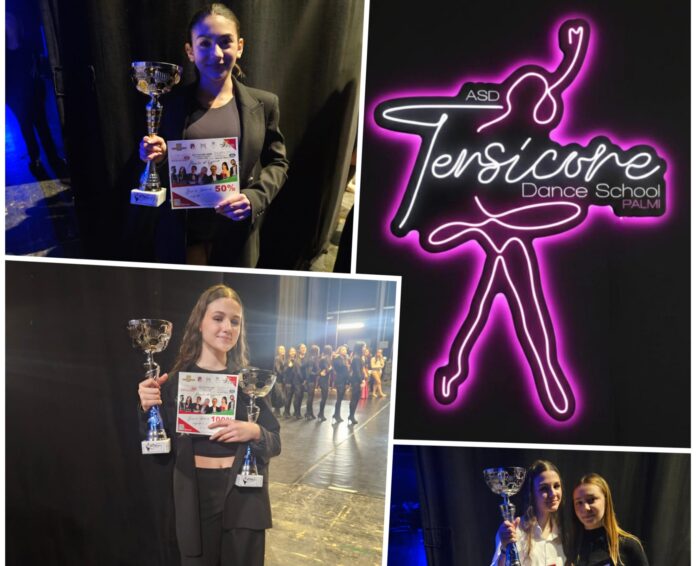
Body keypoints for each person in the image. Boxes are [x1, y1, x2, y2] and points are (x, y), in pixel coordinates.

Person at [137, 284, 280, 565]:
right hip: (194, 499)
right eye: (218, 318)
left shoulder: (248, 383)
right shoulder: (175, 383)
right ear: (199, 323)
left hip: (244, 497)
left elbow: (275, 442)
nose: (227, 327)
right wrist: (147, 407)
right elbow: (156, 449)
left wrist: (254, 432)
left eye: (235, 321)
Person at [138, 4, 289, 267]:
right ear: (190, 51)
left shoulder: (265, 105)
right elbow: (162, 164)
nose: (216, 53)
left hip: (237, 240)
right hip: (182, 240)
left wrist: (255, 198)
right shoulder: (170, 104)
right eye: (205, 43)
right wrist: (156, 158)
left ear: (239, 47)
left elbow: (279, 163)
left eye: (225, 42)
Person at [491, 460, 568, 566]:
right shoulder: (514, 531)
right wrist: (504, 548)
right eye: (544, 488)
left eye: (556, 486)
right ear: (531, 494)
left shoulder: (562, 532)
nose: (553, 493)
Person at [571, 474, 649, 566]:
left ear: (606, 500)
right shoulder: (570, 548)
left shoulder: (628, 545)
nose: (585, 508)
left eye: (591, 500)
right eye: (579, 502)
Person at [348, 342, 366, 425]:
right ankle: (351, 416)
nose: (365, 349)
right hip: (356, 381)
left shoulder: (358, 357)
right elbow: (357, 371)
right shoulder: (356, 358)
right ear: (360, 348)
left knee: (356, 399)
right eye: (364, 347)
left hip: (357, 380)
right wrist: (361, 380)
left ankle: (351, 416)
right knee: (354, 399)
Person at [332, 345, 350, 424]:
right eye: (343, 350)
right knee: (339, 398)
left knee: (341, 398)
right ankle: (337, 415)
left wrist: (348, 382)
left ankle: (336, 414)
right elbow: (338, 368)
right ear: (339, 351)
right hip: (339, 380)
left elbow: (347, 370)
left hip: (344, 380)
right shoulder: (337, 359)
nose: (345, 351)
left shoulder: (345, 359)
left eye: (345, 350)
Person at [316, 345, 333, 422]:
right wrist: (332, 367)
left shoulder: (325, 358)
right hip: (323, 379)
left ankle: (321, 413)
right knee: (324, 397)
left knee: (324, 397)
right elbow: (327, 370)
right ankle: (320, 414)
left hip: (325, 379)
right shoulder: (325, 359)